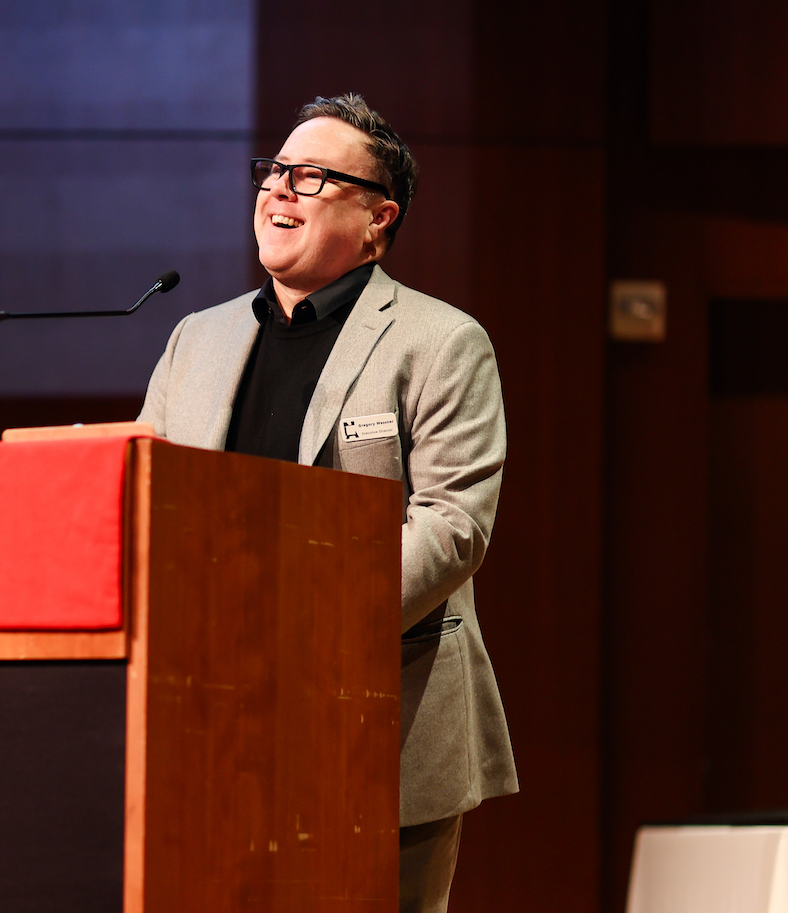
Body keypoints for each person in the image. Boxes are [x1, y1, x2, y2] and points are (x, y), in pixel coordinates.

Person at [137, 94, 516, 913]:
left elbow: (452, 525)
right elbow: (144, 503)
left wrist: (305, 623)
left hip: (380, 711)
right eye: (273, 171)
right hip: (208, 717)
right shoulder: (195, 341)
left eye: (310, 176)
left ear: (379, 219)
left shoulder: (440, 342)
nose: (278, 189)